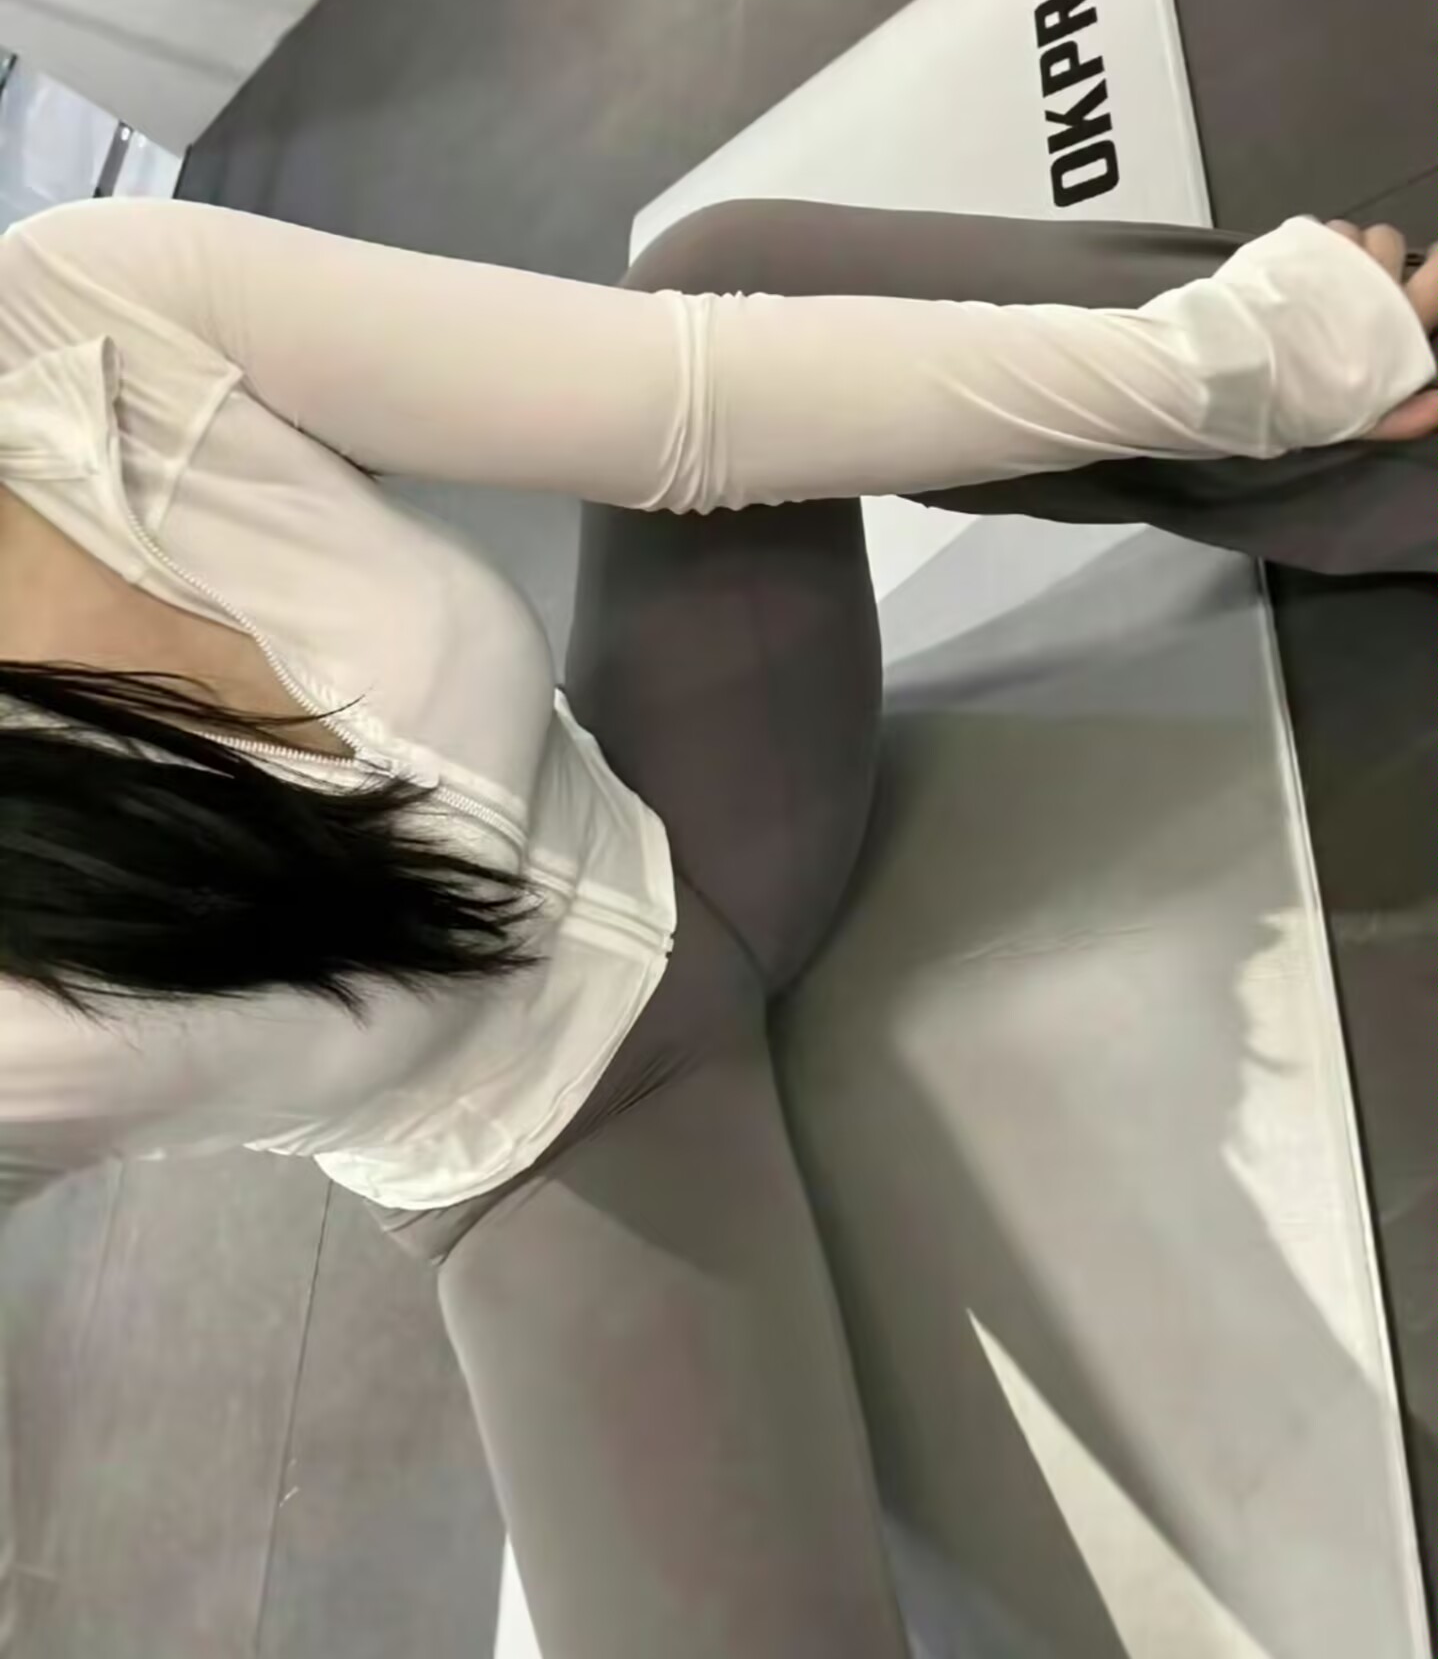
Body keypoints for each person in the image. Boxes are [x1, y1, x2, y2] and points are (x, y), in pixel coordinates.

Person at [0, 193, 1433, 1659]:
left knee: (735, 278)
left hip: (692, 799)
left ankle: (1385, 393)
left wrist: (1243, 358)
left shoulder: (72, 306)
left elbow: (689, 404)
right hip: (557, 1156)